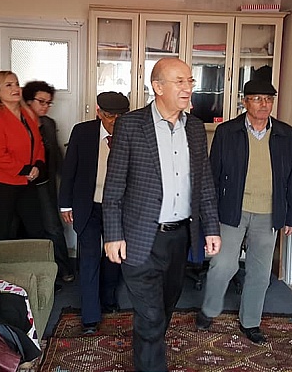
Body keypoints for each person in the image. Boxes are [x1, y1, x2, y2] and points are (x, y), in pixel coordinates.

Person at [103, 58, 221, 372]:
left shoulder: (195, 128)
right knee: (151, 315)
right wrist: (113, 234)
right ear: (157, 87)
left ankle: (147, 348)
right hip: (140, 237)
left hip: (180, 237)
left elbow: (204, 182)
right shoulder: (131, 125)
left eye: (190, 81)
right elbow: (114, 185)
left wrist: (211, 227)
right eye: (179, 81)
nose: (188, 88)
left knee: (165, 308)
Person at [196, 78, 292, 345]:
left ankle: (251, 321)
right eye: (257, 99)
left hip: (268, 212)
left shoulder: (285, 134)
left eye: (268, 99)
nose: (264, 104)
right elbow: (212, 174)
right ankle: (209, 309)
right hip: (232, 210)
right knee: (223, 265)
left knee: (260, 271)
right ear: (245, 102)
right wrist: (208, 214)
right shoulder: (227, 132)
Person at [59, 91, 129, 335]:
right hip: (87, 205)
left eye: (120, 116)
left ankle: (108, 300)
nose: (115, 122)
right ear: (99, 112)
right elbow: (70, 169)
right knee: (89, 258)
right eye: (110, 116)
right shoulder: (82, 132)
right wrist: (65, 204)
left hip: (117, 208)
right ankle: (90, 316)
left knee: (113, 257)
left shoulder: (131, 133)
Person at [0, 71, 46, 242]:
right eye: (8, 85)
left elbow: (38, 143)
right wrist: (25, 169)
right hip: (2, 184)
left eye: (17, 84)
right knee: (0, 232)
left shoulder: (27, 114)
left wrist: (38, 165)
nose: (15, 88)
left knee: (36, 229)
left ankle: (36, 259)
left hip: (27, 182)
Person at [22, 81, 75, 283]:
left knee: (53, 226)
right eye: (41, 101)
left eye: (48, 102)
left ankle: (63, 268)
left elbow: (56, 155)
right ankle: (34, 273)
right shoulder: (19, 122)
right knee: (26, 228)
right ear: (29, 101)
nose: (45, 106)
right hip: (21, 185)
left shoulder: (49, 124)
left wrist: (68, 178)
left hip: (45, 183)